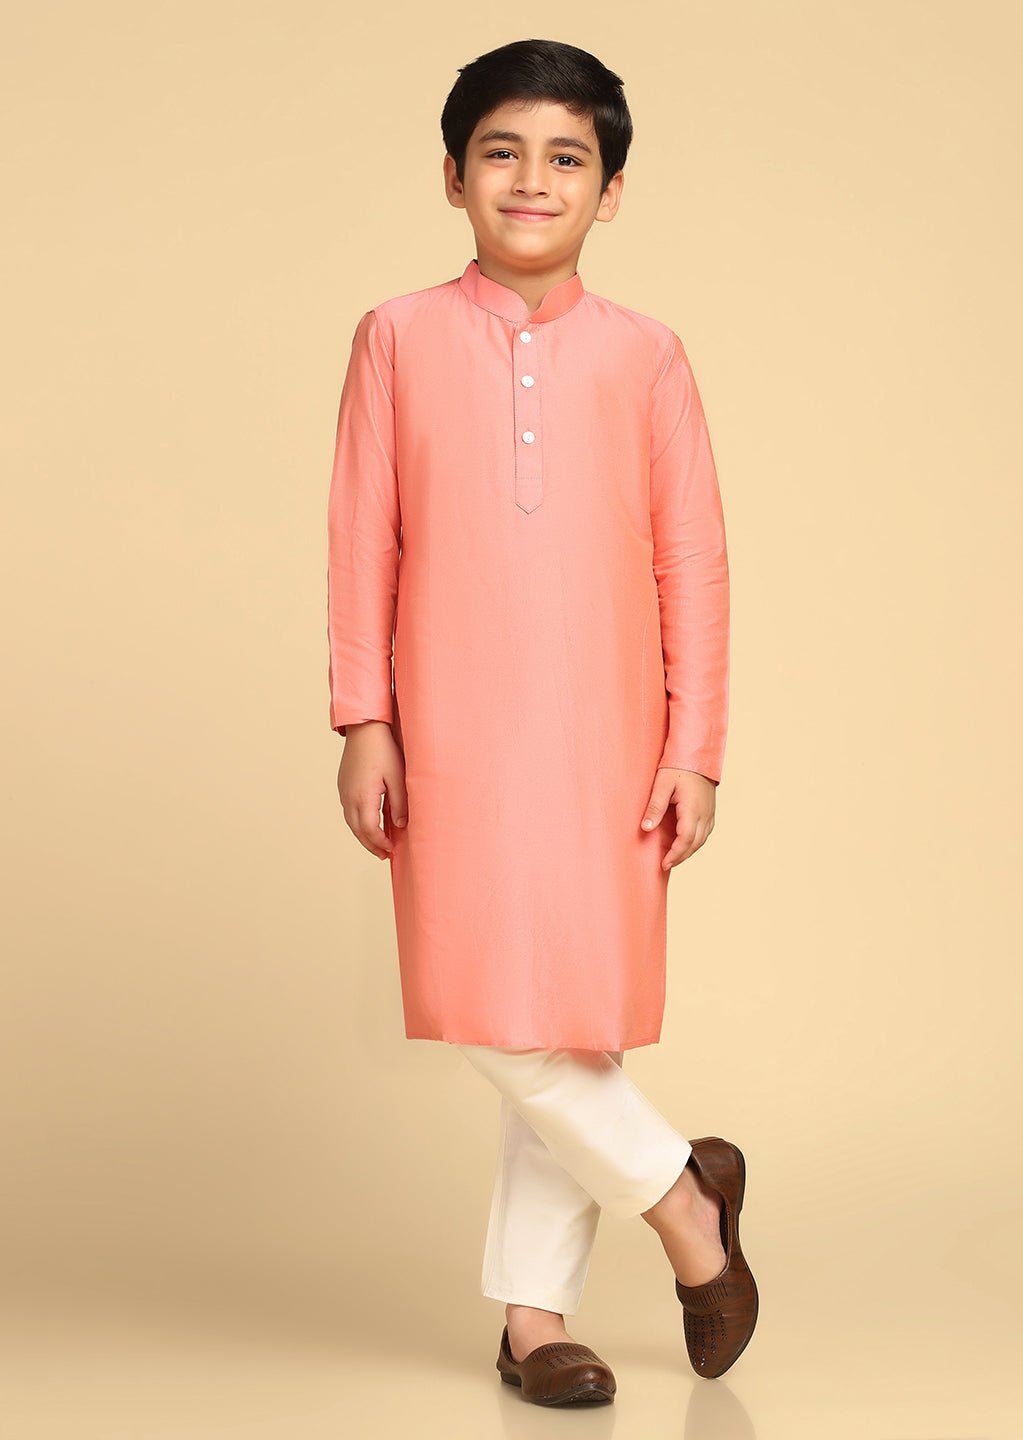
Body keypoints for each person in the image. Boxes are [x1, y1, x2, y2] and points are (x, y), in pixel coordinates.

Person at [326, 37, 758, 1407]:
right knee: (486, 1007)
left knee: (572, 1024)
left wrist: (694, 745)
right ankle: (685, 1200)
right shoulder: (396, 337)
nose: (532, 179)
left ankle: (532, 1324)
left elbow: (694, 559)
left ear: (609, 190)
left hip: (609, 731)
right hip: (450, 727)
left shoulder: (648, 355)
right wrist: (364, 715)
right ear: (453, 174)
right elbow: (363, 537)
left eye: (567, 157)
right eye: (501, 151)